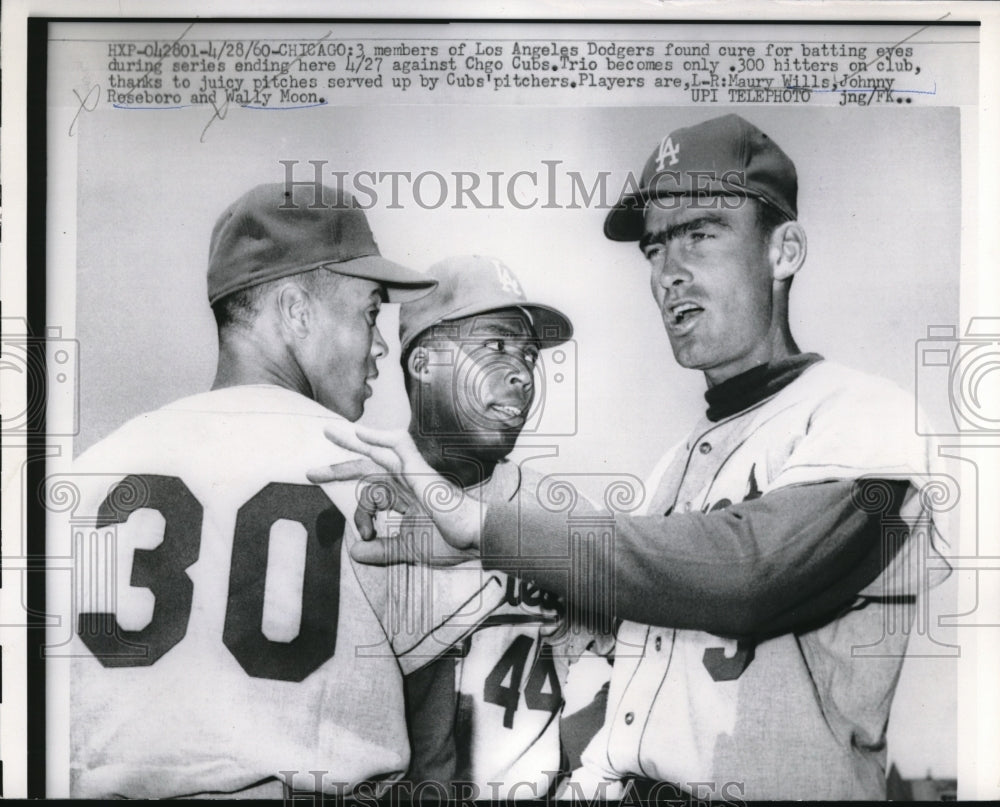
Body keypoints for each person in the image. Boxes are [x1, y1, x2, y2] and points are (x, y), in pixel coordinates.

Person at [310, 114, 948, 800]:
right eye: (655, 248)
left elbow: (748, 570)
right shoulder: (671, 473)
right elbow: (632, 668)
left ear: (783, 250)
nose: (670, 272)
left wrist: (485, 531)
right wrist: (478, 560)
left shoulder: (862, 414)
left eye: (700, 234)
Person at [67, 181, 465, 798]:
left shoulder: (85, 475)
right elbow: (433, 748)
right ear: (297, 311)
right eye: (369, 313)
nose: (381, 343)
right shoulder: (372, 477)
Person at [391, 255, 606, 799]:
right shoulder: (363, 505)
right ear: (424, 363)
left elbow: (631, 668)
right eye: (495, 345)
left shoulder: (560, 513)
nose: (523, 373)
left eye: (529, 355)